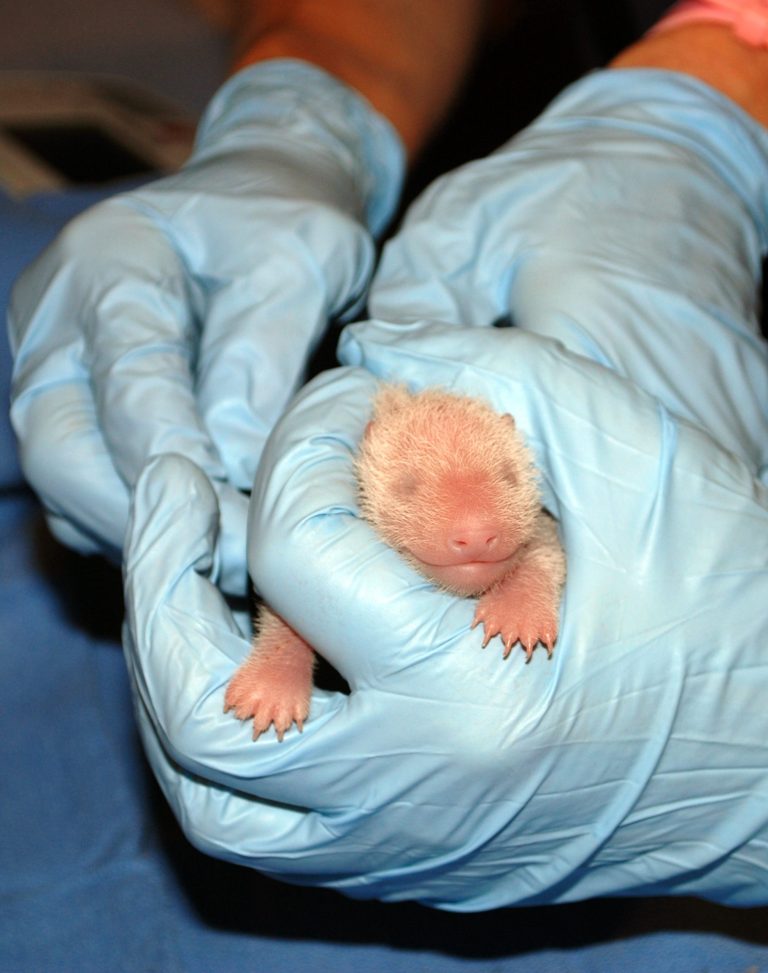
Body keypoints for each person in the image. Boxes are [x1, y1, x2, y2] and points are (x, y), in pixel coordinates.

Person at [8, 0, 768, 909]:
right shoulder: (362, 480)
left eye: (503, 482)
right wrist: (301, 112)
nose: (477, 521)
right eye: (411, 488)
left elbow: (544, 546)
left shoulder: (521, 508)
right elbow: (297, 605)